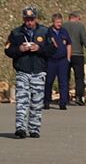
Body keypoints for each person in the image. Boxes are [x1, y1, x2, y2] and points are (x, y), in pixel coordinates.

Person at [5, 7, 55, 138]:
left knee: (37, 101)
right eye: (27, 20)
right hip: (23, 70)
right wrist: (19, 49)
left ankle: (34, 128)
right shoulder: (16, 33)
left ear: (36, 19)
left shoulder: (45, 31)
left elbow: (52, 50)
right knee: (22, 100)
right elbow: (8, 51)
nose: (29, 22)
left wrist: (39, 48)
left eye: (32, 19)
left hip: (39, 71)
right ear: (23, 19)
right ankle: (20, 127)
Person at [43, 13, 73, 110]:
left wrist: (68, 58)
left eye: (60, 22)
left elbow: (68, 44)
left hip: (62, 60)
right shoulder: (48, 31)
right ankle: (46, 102)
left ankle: (63, 103)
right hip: (51, 60)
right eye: (57, 22)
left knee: (63, 82)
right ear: (53, 22)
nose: (59, 24)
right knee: (49, 82)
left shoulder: (64, 32)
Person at [66, 11, 86, 105]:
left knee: (65, 76)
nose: (79, 20)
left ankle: (65, 97)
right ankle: (79, 97)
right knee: (79, 77)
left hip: (65, 54)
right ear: (75, 17)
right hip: (78, 54)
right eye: (79, 18)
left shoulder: (63, 26)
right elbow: (84, 38)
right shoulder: (80, 26)